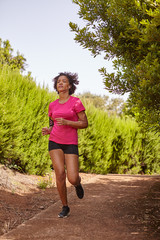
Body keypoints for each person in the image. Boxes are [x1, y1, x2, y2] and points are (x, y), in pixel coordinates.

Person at [42, 72, 88, 218]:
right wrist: (48, 130)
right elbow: (52, 122)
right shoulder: (52, 105)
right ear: (56, 86)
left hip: (70, 143)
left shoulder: (76, 102)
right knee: (60, 174)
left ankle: (77, 184)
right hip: (54, 141)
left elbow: (84, 123)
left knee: (72, 177)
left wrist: (69, 122)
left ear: (69, 85)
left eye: (64, 81)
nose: (60, 83)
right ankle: (65, 206)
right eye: (58, 82)